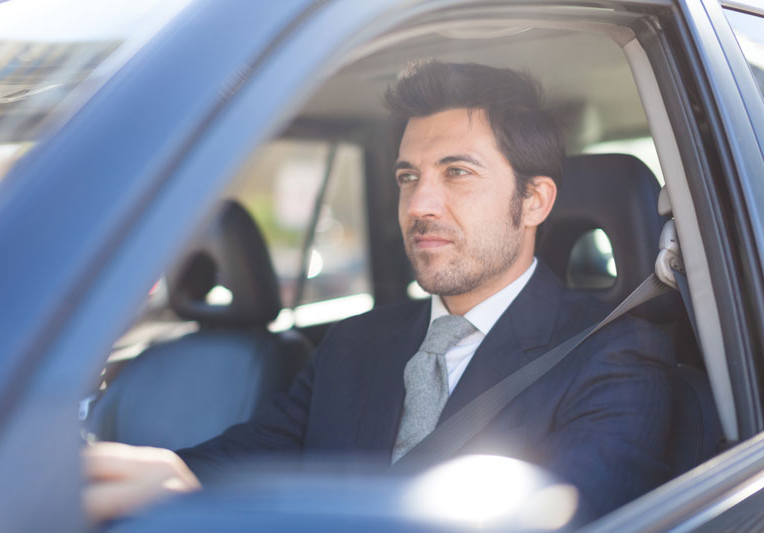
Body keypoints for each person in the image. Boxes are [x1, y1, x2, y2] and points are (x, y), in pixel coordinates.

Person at [83, 61, 674, 524]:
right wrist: (149, 473)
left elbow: (572, 519)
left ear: (534, 201)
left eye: (457, 173)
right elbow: (250, 457)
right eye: (407, 176)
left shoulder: (618, 356)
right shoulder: (355, 342)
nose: (419, 205)